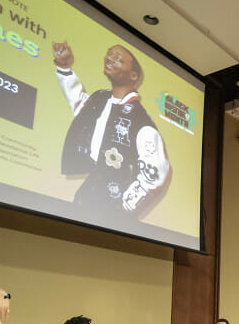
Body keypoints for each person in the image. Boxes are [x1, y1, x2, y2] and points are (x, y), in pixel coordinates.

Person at [52, 40, 170, 218]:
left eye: (119, 58)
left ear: (133, 76)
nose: (111, 58)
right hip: (88, 194)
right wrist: (63, 67)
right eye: (110, 53)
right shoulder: (100, 98)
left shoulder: (141, 121)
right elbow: (80, 104)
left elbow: (156, 174)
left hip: (111, 203)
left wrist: (124, 208)